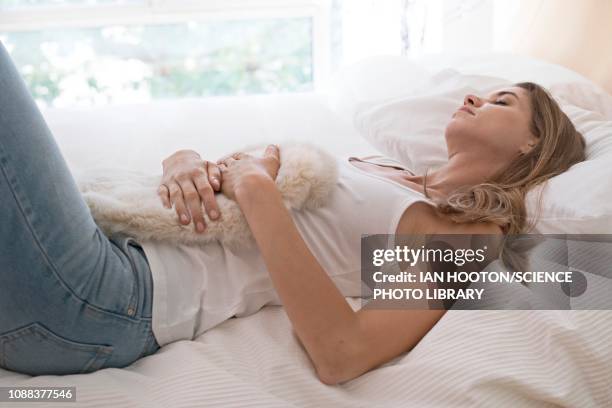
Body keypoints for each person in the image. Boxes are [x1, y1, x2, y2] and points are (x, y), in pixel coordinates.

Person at [0, 41, 586, 382]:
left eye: (501, 101)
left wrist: (256, 189)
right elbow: (224, 177)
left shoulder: (465, 232)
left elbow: (343, 352)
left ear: (534, 142)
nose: (473, 97)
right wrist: (183, 161)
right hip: (104, 245)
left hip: (108, 300)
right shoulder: (375, 163)